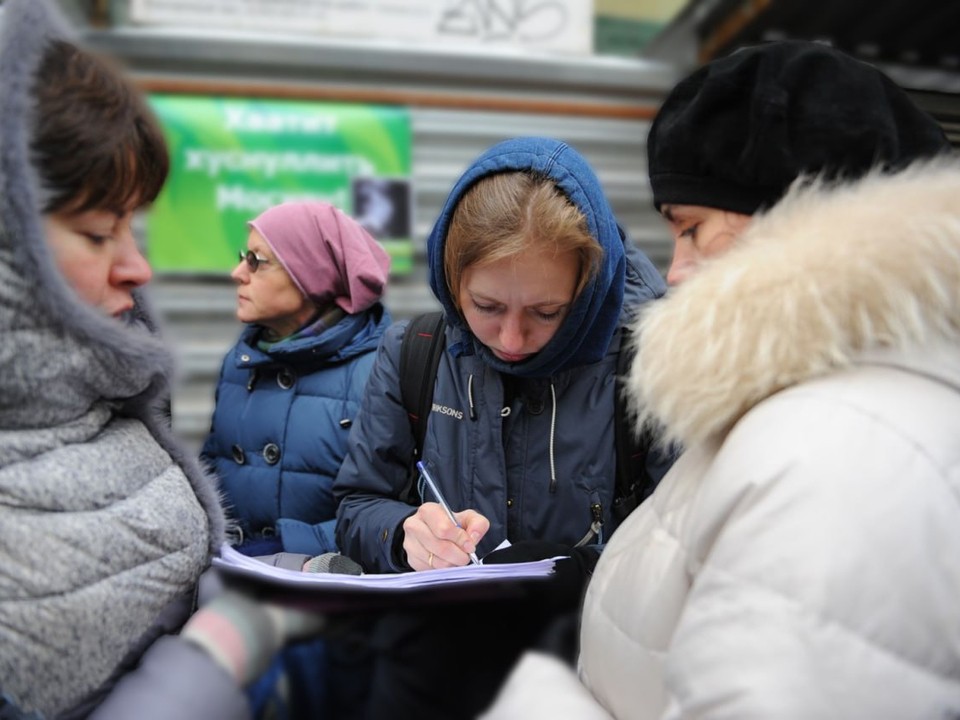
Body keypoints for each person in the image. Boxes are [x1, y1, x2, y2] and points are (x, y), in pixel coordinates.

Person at [482, 40, 960, 719]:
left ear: (793, 217)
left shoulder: (835, 455)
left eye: (692, 228)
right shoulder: (822, 416)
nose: (674, 272)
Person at [0, 1, 326, 717]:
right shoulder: (233, 362)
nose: (140, 268)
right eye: (96, 232)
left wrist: (300, 570)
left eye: (260, 262)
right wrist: (219, 650)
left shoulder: (106, 388)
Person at [332, 135, 668, 718]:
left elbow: (689, 553)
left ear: (586, 291)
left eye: (546, 313)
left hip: (588, 686)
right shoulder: (414, 353)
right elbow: (356, 503)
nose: (512, 341)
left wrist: (587, 571)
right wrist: (404, 533)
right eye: (486, 307)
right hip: (434, 675)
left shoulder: (651, 367)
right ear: (450, 278)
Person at [200, 199, 391, 718]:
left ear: (311, 275)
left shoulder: (381, 371)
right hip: (233, 588)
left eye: (258, 260)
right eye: (245, 255)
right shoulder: (241, 362)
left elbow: (393, 508)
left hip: (332, 612)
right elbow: (210, 469)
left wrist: (292, 545)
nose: (237, 272)